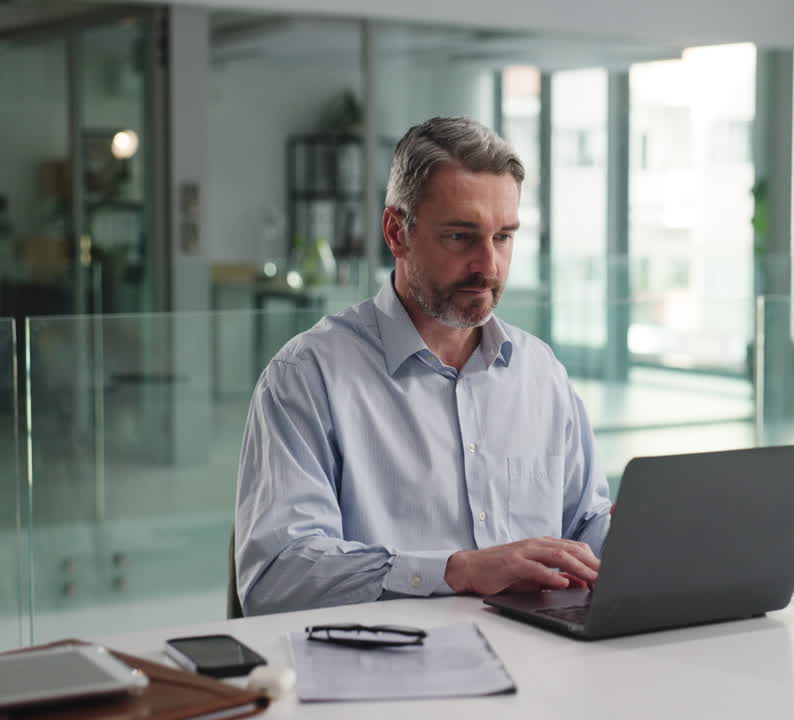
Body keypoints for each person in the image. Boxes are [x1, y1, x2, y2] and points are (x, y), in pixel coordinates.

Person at [234, 116, 612, 616]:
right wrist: (456, 571)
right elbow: (278, 577)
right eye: (460, 236)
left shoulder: (539, 372)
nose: (489, 266)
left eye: (503, 237)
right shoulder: (306, 377)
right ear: (397, 232)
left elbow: (583, 528)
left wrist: (647, 536)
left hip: (539, 649)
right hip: (388, 654)